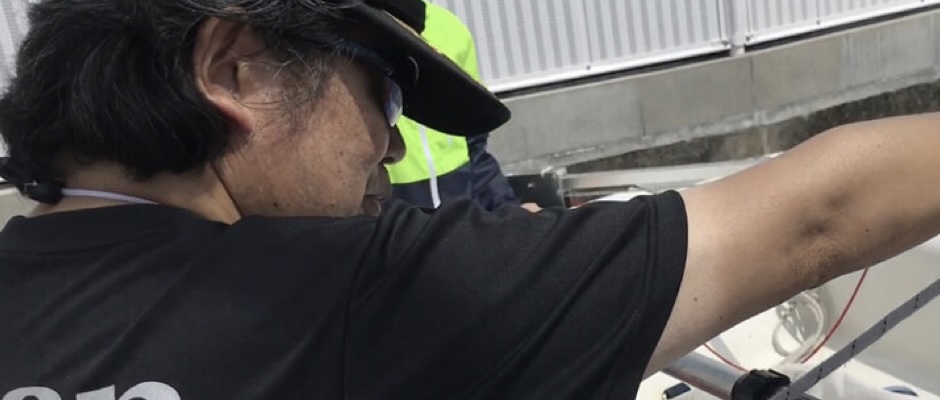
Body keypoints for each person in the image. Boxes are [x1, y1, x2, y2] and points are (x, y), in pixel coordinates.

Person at [0, 0, 938, 399]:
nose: (392, 145)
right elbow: (822, 213)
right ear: (233, 68)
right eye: (384, 96)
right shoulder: (354, 296)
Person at [387, 1, 521, 211]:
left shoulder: (452, 29)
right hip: (392, 208)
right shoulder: (357, 26)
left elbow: (475, 145)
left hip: (459, 201)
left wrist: (509, 210)